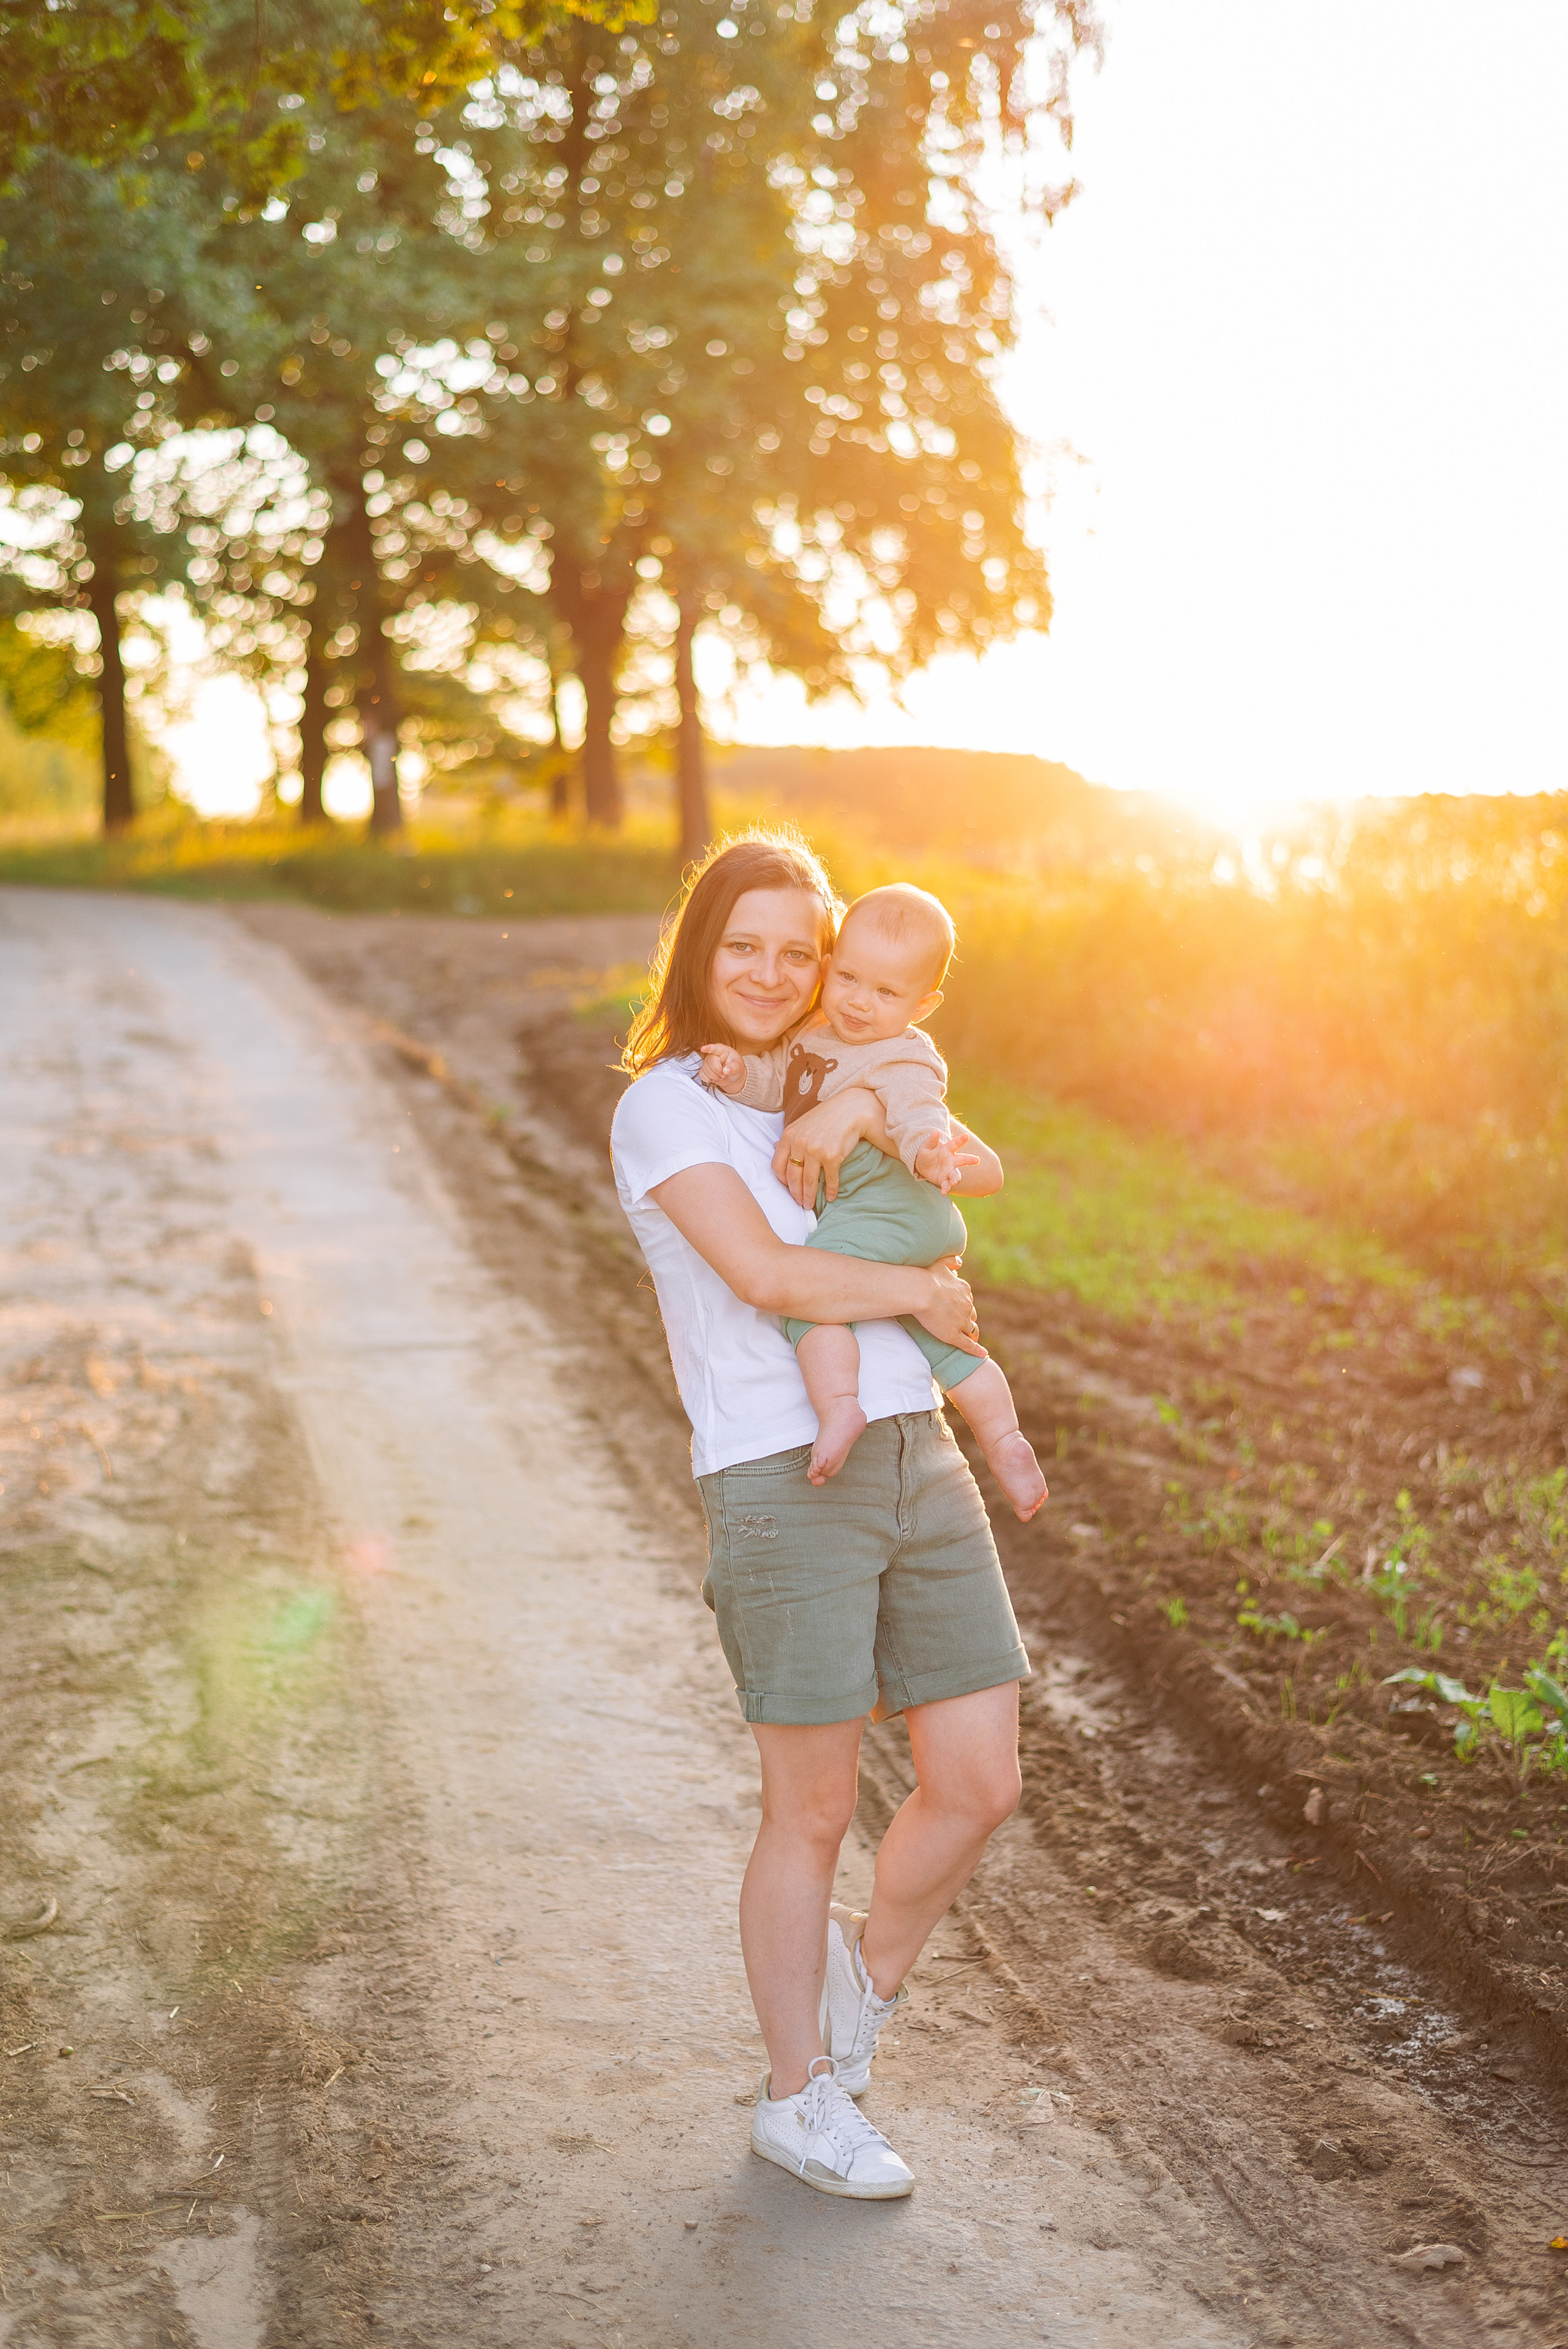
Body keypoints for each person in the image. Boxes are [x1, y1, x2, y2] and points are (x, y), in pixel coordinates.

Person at [610, 829, 1038, 2202]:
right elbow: (768, 1274)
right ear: (699, 949)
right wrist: (920, 1292)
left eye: (799, 952)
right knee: (810, 1811)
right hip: (781, 1471)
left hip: (919, 1450)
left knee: (979, 1781)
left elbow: (936, 1165)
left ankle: (859, 1981)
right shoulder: (669, 1107)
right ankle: (797, 2093)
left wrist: (871, 1119)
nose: (771, 972)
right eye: (743, 945)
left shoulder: (837, 1072)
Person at [693, 879, 1047, 1518]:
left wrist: (929, 1153)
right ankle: (1005, 1439)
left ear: (923, 1004)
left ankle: (838, 1407)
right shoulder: (816, 1035)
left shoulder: (905, 1056)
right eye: (850, 979)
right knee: (944, 1341)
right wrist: (739, 1075)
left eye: (886, 993)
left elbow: (919, 1114)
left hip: (885, 1208)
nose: (860, 1001)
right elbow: (780, 1085)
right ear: (830, 968)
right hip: (906, 1224)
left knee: (816, 1295)